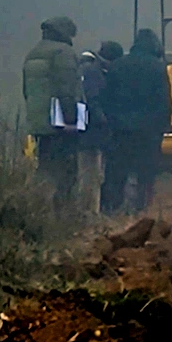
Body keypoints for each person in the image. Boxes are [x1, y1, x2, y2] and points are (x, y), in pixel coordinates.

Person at [100, 29, 172, 214]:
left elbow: (106, 98)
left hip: (120, 131)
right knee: (145, 174)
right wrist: (163, 127)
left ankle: (112, 211)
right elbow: (164, 101)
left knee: (116, 174)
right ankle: (141, 211)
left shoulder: (117, 65)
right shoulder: (157, 68)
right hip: (148, 132)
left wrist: (111, 122)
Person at [22, 16, 84, 218]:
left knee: (45, 167)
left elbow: (27, 92)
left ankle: (37, 210)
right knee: (66, 170)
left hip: (39, 123)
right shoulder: (62, 53)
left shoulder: (33, 54)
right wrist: (72, 119)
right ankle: (62, 215)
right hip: (60, 125)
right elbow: (66, 90)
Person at [75, 41, 124, 213]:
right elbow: (94, 100)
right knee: (91, 175)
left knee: (87, 174)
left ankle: (85, 212)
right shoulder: (93, 72)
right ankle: (90, 213)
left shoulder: (84, 68)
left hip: (81, 131)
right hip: (92, 133)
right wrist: (104, 121)